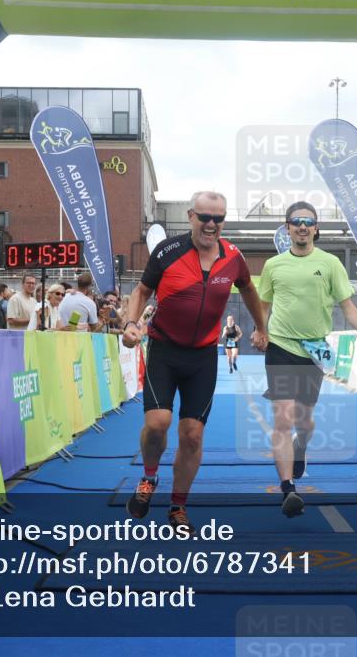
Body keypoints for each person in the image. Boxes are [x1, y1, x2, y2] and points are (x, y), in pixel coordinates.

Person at [121, 191, 267, 532]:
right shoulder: (168, 252)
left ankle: (178, 506)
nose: (211, 225)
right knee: (158, 423)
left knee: (192, 437)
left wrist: (261, 327)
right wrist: (130, 323)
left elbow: (248, 290)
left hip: (202, 356)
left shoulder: (233, 257)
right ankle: (148, 477)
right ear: (191, 217)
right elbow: (142, 291)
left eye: (219, 219)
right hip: (164, 349)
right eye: (205, 217)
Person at [258, 201, 357, 518]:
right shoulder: (273, 265)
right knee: (283, 418)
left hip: (315, 350)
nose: (303, 226)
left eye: (308, 221)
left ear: (316, 228)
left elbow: (347, 305)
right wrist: (259, 330)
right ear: (288, 227)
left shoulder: (331, 263)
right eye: (296, 221)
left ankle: (302, 445)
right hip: (280, 347)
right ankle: (287, 489)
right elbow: (264, 305)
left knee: (304, 421)